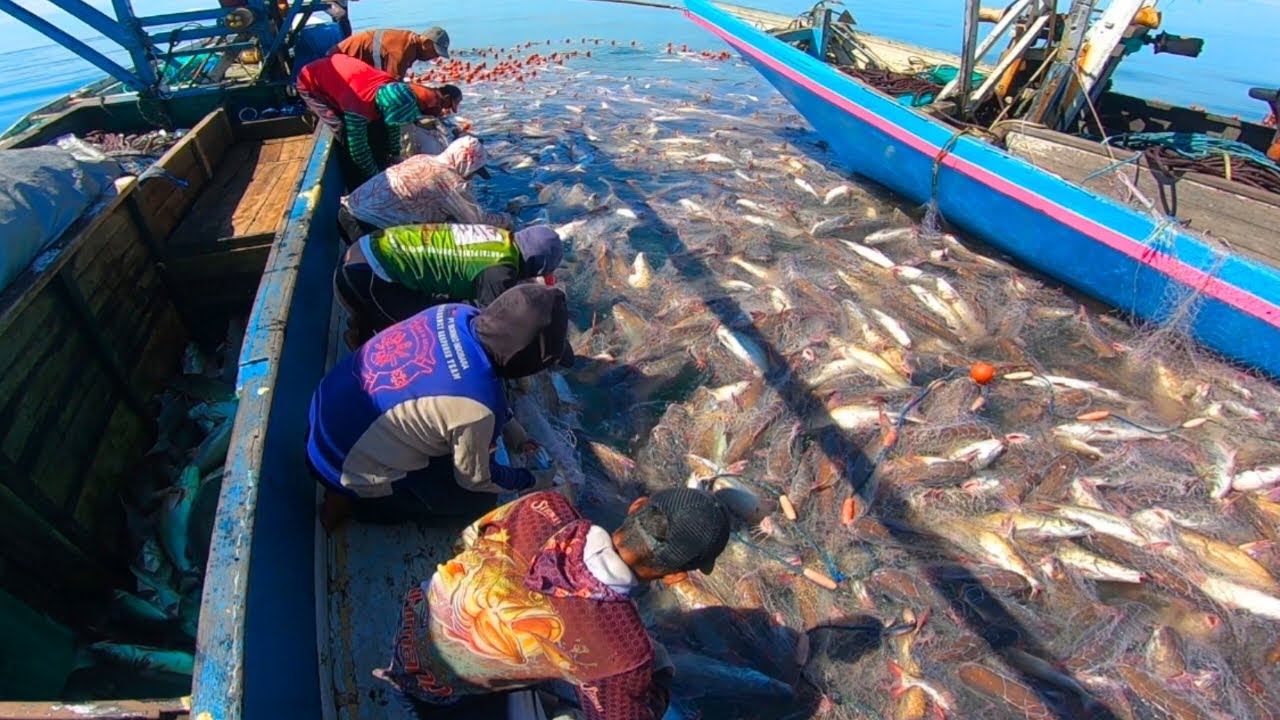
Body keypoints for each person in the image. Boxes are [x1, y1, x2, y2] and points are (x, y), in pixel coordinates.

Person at [373, 487, 732, 720]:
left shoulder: (544, 505)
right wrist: (659, 675)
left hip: (413, 620)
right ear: (675, 577)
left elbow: (470, 539)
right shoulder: (624, 652)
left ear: (638, 506)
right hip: (438, 691)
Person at [306, 284, 575, 530]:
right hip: (340, 464)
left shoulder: (456, 312)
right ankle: (353, 506)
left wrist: (508, 422)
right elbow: (476, 479)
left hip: (323, 416)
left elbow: (464, 374)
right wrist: (531, 479)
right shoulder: (479, 408)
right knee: (477, 504)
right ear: (527, 358)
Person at [335, 224, 565, 348]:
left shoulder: (499, 238)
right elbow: (494, 327)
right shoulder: (498, 272)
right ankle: (365, 349)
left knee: (440, 305)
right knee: (421, 332)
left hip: (363, 251)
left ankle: (361, 322)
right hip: (365, 276)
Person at [295, 52, 462, 185]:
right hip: (311, 82)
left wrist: (395, 155)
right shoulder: (358, 108)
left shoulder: (391, 85)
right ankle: (357, 180)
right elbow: (358, 150)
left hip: (347, 75)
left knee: (378, 128)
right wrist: (377, 178)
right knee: (342, 130)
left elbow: (393, 125)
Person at [336, 134, 512, 244]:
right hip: (366, 227)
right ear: (465, 163)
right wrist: (507, 219)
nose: (471, 177)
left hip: (346, 211)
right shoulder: (451, 181)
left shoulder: (423, 158)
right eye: (473, 172)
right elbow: (477, 222)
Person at [331, 26, 451, 79]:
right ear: (425, 42)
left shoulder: (409, 40)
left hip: (347, 62)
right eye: (435, 52)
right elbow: (392, 85)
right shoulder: (402, 51)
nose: (434, 57)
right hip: (336, 64)